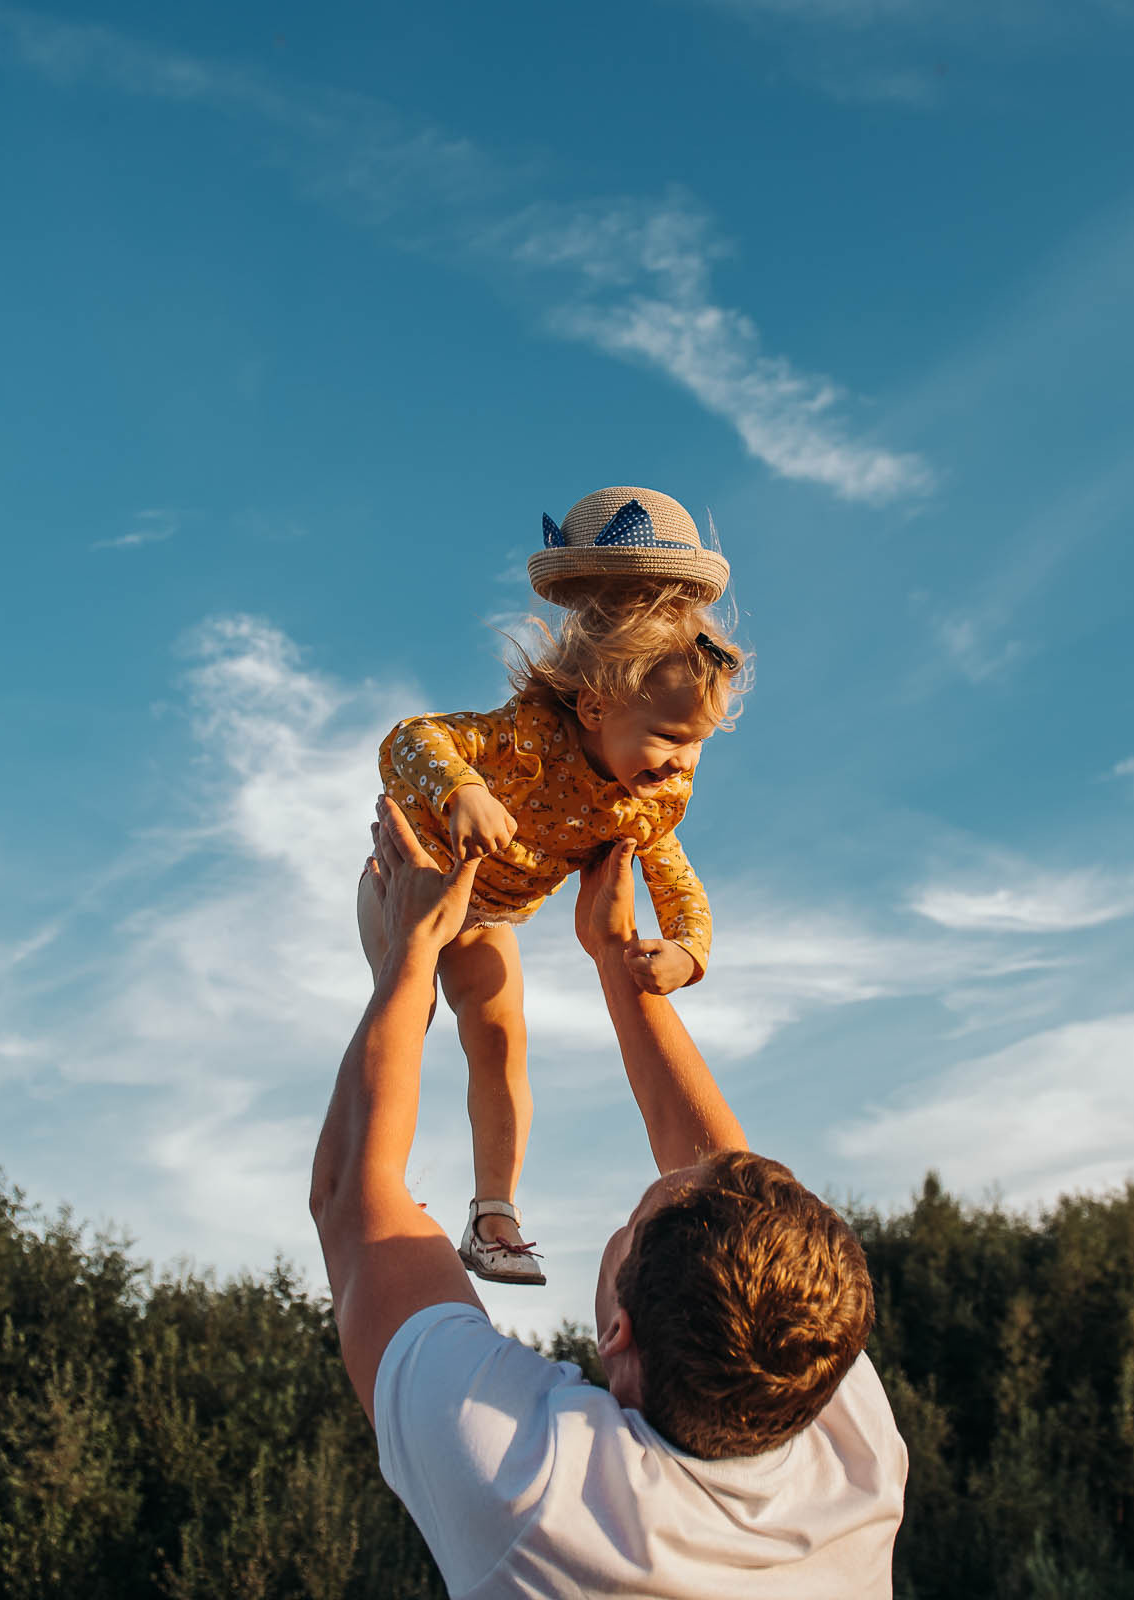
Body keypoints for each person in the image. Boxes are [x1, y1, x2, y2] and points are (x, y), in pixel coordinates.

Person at [311, 796, 907, 1599]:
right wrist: (616, 955)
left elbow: (353, 1195)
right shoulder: (848, 1448)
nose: (674, 1171)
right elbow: (734, 1184)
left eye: (634, 1219)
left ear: (620, 1330)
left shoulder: (533, 1488)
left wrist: (410, 954)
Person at [368, 484, 746, 1287]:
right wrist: (460, 791)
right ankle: (378, 1189)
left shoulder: (645, 800)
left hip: (488, 913)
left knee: (500, 1039)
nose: (681, 762)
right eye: (669, 737)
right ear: (596, 704)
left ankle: (493, 1216)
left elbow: (680, 887)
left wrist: (686, 954)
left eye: (698, 744)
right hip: (418, 885)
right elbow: (410, 739)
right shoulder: (527, 738)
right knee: (411, 1009)